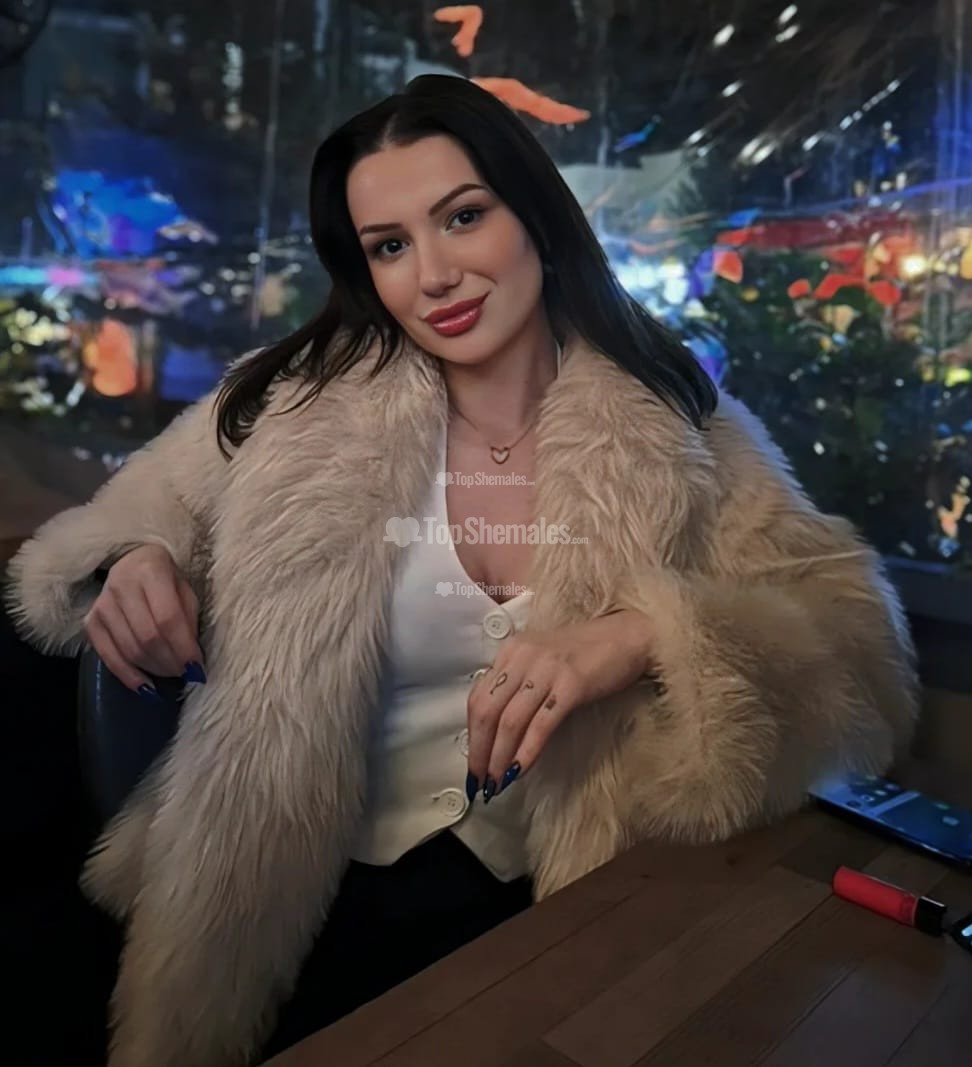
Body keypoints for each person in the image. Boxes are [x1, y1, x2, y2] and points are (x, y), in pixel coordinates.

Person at [4, 74, 918, 1067]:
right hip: (277, 894)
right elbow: (110, 528)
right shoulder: (291, 407)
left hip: (561, 905)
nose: (433, 274)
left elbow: (862, 651)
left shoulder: (681, 430)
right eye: (390, 245)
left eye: (464, 216)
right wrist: (136, 554)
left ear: (536, 217)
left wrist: (648, 633)